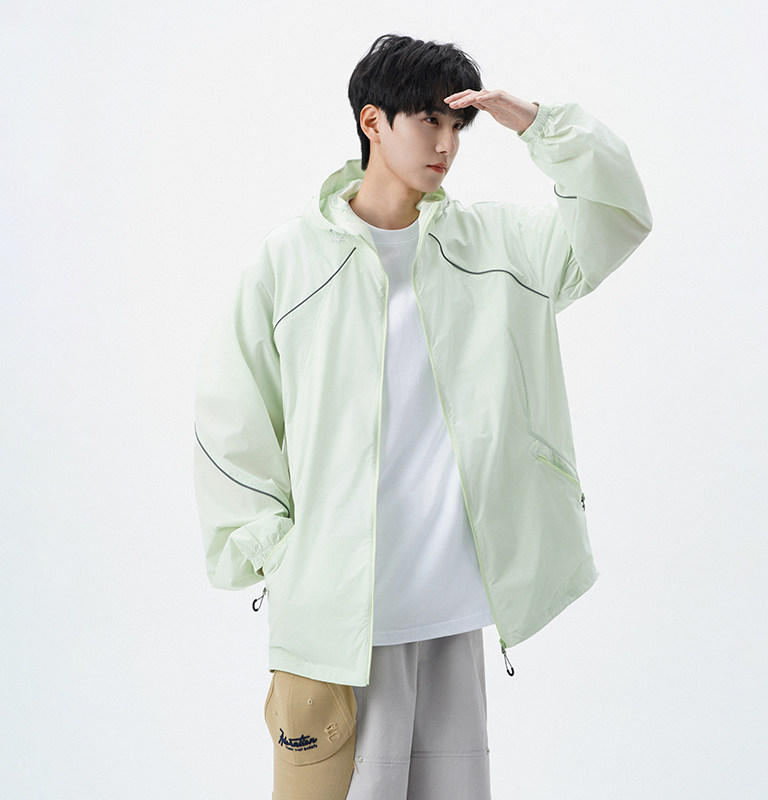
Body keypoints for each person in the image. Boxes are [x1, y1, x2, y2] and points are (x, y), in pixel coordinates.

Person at [193, 33, 651, 800]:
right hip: (342, 620)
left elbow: (618, 216)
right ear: (372, 121)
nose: (446, 144)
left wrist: (539, 124)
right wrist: (280, 553)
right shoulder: (290, 262)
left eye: (457, 126)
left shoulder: (499, 245)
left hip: (453, 610)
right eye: (428, 120)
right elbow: (230, 417)